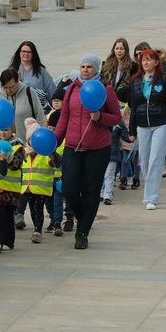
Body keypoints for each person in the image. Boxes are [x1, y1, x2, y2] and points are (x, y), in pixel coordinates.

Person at [53, 54, 121, 250]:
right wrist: (54, 141)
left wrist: (100, 117)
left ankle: (82, 233)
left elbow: (116, 118)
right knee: (69, 189)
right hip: (73, 146)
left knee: (91, 191)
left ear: (96, 69)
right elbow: (64, 119)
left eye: (89, 67)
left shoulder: (105, 89)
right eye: (82, 66)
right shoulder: (72, 89)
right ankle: (85, 219)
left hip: (97, 148)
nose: (85, 70)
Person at [125, 49, 166, 210]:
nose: (145, 62)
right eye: (143, 60)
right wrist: (132, 130)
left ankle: (151, 197)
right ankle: (149, 192)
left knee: (156, 159)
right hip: (142, 124)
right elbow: (133, 107)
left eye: (149, 60)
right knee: (143, 160)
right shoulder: (135, 80)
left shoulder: (164, 79)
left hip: (161, 123)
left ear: (156, 62)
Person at [0, 69, 46, 142]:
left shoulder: (29, 92)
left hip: (29, 143)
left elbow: (40, 116)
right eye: (5, 87)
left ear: (17, 81)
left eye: (11, 87)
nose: (8, 90)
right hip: (6, 146)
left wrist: (41, 137)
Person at [8, 41, 57, 110]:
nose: (26, 54)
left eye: (29, 52)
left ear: (33, 54)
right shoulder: (11, 70)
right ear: (19, 53)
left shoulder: (41, 71)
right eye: (23, 51)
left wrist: (57, 108)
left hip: (38, 109)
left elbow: (51, 90)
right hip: (17, 109)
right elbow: (2, 90)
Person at [100, 38, 136, 104]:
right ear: (113, 50)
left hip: (123, 100)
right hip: (108, 98)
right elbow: (102, 81)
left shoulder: (132, 66)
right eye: (117, 49)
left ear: (126, 50)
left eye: (121, 49)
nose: (119, 51)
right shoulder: (106, 65)